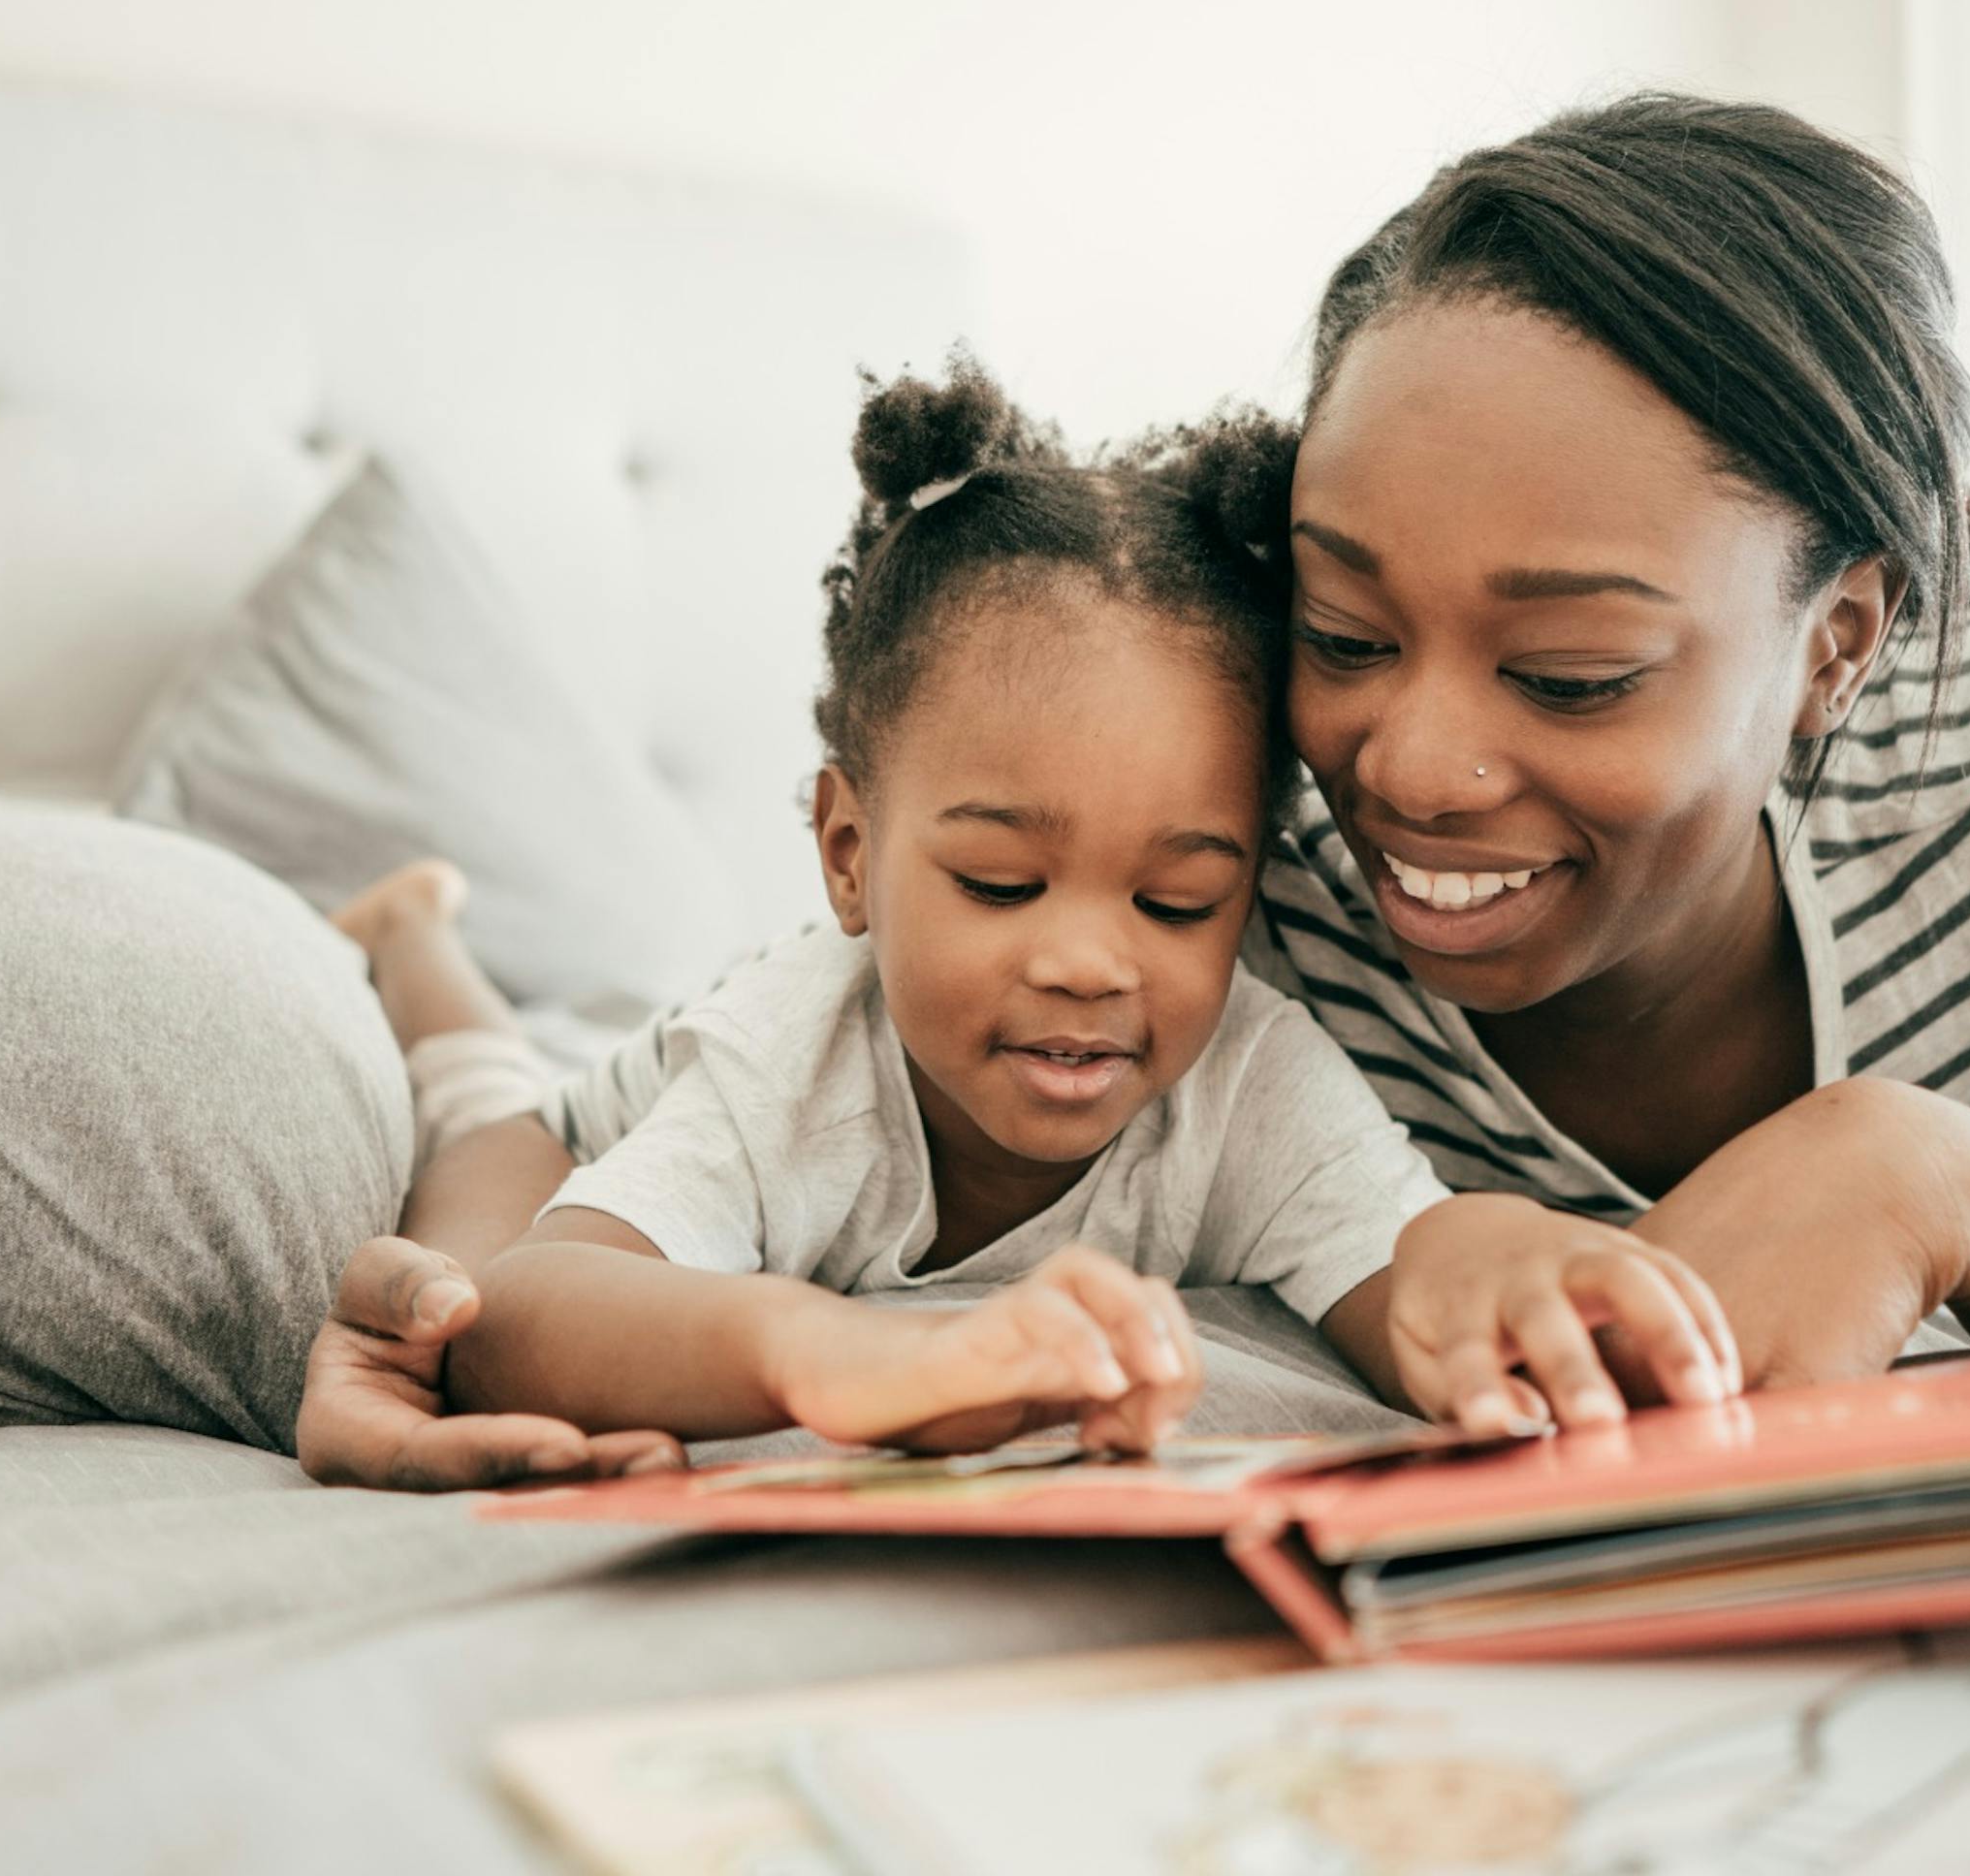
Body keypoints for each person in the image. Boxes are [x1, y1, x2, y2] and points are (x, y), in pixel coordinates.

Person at [297, 93, 1970, 1490]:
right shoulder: (1194, 849)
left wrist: (1951, 1185)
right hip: (644, 1068)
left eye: (1571, 668)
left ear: (1844, 639)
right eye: (1345, 632)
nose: (1409, 768)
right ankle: (427, 953)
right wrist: (456, 1299)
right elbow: (763, 1142)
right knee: (512, 1074)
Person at [320, 358, 1737, 1471]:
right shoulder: (787, 1064)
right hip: (578, 1129)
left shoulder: (1250, 1080)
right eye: (1000, 885)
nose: (1084, 964)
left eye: (1180, 901)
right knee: (476, 1146)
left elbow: (1404, 1256)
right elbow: (539, 1311)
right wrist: (836, 1356)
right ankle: (412, 934)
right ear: (850, 853)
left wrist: (1505, 1263)